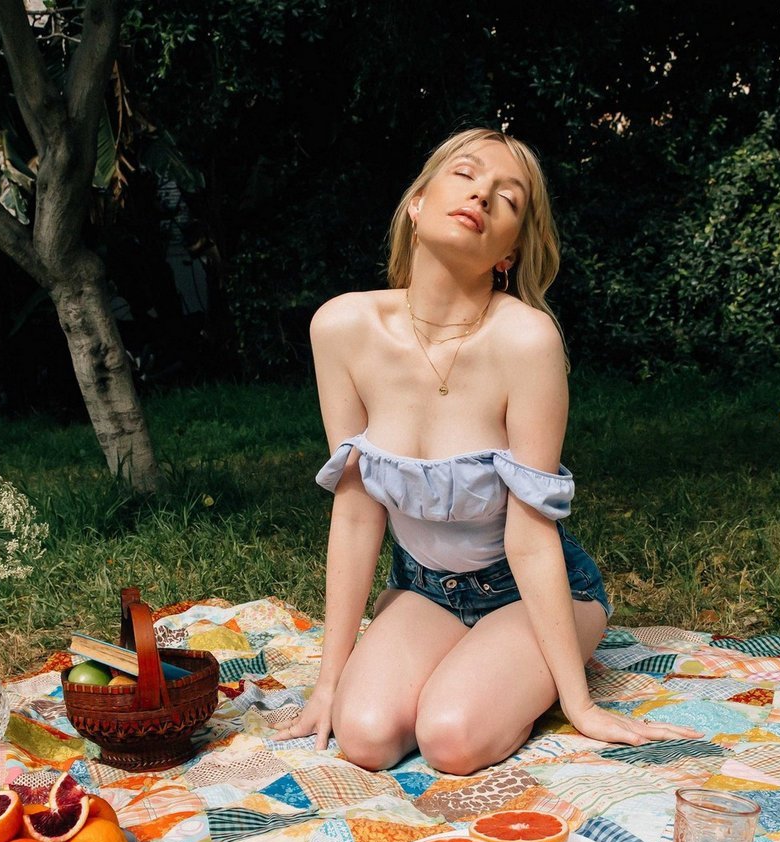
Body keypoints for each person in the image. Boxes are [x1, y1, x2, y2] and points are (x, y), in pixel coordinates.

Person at [276, 128, 699, 774]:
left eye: (508, 199)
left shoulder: (527, 341)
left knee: (451, 738)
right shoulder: (340, 328)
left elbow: (531, 535)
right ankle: (436, 642)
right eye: (465, 174)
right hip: (424, 588)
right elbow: (357, 511)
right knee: (362, 737)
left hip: (528, 591)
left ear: (509, 252)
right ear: (417, 203)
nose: (481, 195)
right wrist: (328, 681)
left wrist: (579, 703)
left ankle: (513, 660)